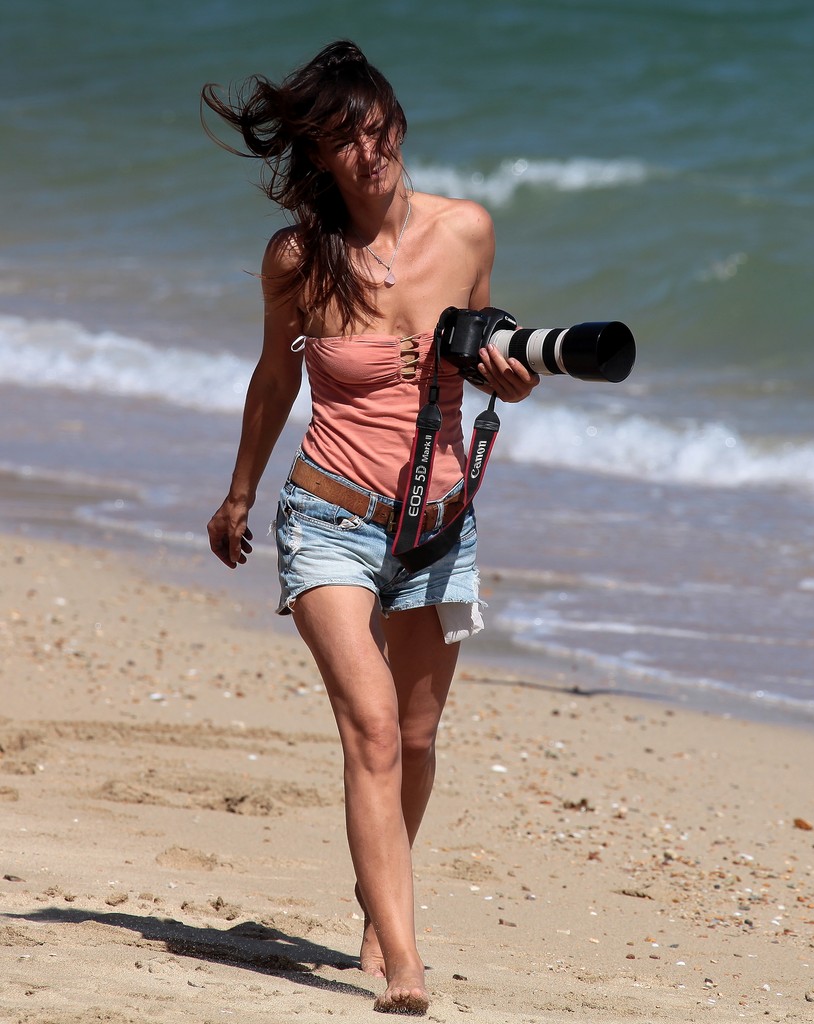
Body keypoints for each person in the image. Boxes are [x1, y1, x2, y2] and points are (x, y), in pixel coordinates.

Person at [203, 40, 537, 1015]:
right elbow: (275, 380)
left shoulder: (466, 230)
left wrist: (504, 373)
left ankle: (374, 893)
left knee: (421, 735)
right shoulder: (300, 260)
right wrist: (237, 495)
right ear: (319, 156)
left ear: (399, 123)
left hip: (440, 525)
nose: (371, 149)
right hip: (329, 519)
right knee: (376, 728)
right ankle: (404, 962)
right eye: (346, 139)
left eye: (380, 127)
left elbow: (475, 351)